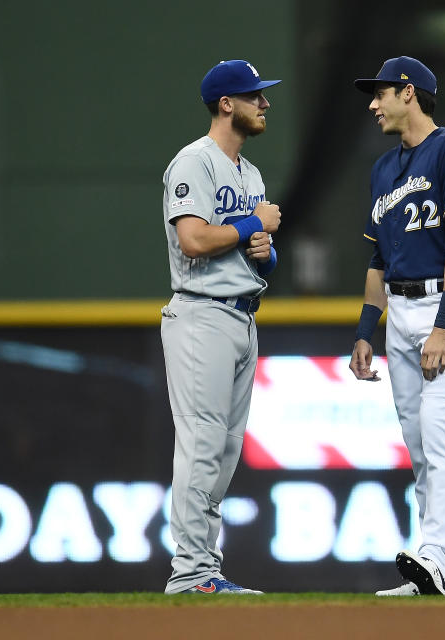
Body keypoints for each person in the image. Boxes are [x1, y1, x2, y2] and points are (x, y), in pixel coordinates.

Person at [349, 56, 445, 596]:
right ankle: (444, 576)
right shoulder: (382, 170)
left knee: (438, 426)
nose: (373, 103)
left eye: (381, 92)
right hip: (400, 311)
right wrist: (367, 328)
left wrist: (444, 325)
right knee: (419, 446)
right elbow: (376, 262)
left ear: (409, 92)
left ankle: (433, 554)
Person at [160, 59, 282, 595]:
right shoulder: (194, 162)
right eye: (255, 96)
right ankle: (189, 573)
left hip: (242, 314)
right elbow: (194, 240)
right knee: (203, 445)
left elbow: (250, 256)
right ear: (227, 103)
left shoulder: (249, 173)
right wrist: (254, 224)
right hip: (200, 315)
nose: (265, 104)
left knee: (225, 452)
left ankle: (205, 569)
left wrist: (264, 251)